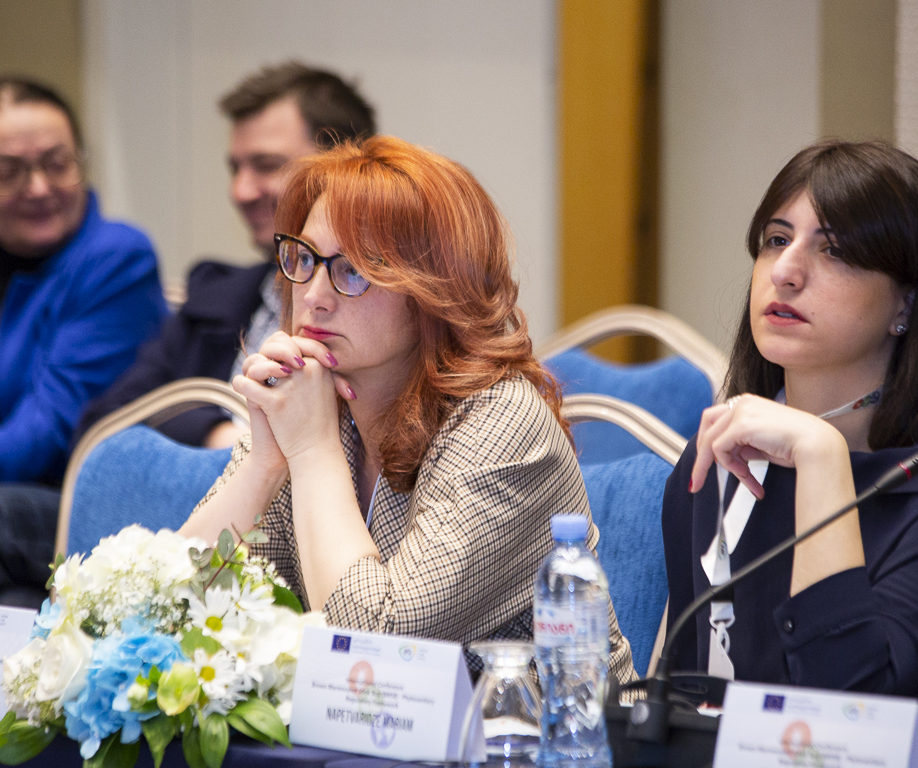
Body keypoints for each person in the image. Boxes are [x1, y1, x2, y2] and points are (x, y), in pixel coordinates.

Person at [180, 135, 636, 679]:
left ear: (434, 291)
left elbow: (374, 653)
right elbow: (174, 607)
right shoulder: (311, 398)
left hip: (537, 728)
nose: (313, 295)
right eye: (304, 259)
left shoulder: (504, 422)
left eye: (353, 270)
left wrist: (313, 451)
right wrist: (264, 463)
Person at [662, 141, 918, 702]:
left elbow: (844, 707)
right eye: (776, 240)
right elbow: (682, 698)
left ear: (906, 304)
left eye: (835, 250)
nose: (785, 272)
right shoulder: (721, 458)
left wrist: (821, 457)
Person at [78, 61, 376, 449]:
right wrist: (220, 436)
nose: (240, 191)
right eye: (235, 168)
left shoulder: (385, 311)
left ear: (344, 167)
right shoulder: (215, 297)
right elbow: (103, 426)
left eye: (266, 166)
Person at [0, 78, 165, 606]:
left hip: (72, 500)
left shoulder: (116, 258)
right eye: (9, 171)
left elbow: (48, 428)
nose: (38, 188)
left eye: (57, 163)